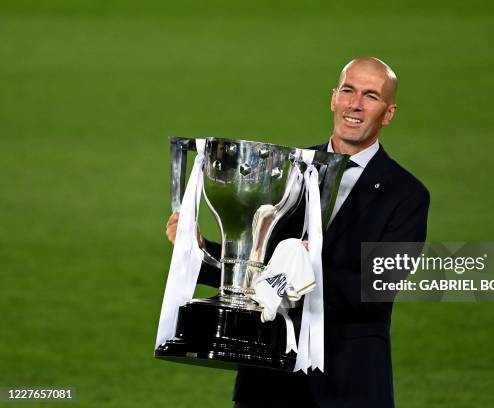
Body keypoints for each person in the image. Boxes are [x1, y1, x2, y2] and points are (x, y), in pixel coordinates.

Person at [165, 57, 430, 408]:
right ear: (334, 97)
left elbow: (375, 290)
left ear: (389, 112)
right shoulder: (287, 172)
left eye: (370, 96)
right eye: (348, 91)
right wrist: (199, 250)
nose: (355, 104)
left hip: (348, 385)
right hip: (267, 381)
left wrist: (302, 274)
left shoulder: (406, 195)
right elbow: (257, 271)